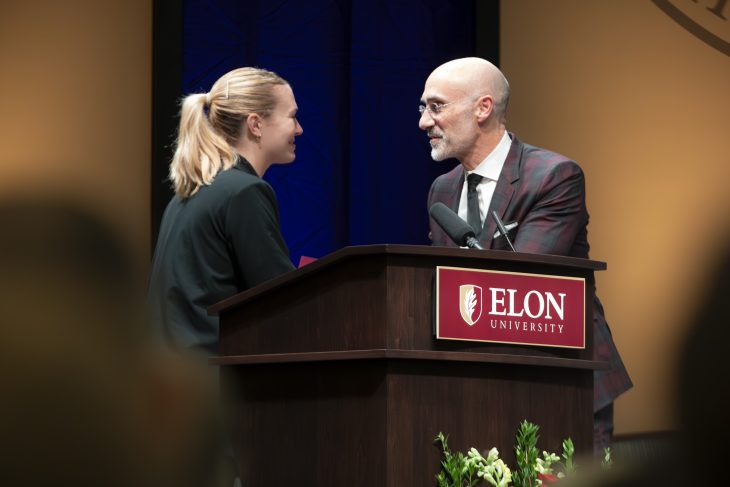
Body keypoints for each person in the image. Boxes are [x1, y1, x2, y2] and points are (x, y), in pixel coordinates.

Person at [419, 57, 632, 452]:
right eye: (423, 108)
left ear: (483, 108)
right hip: (477, 388)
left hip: (560, 379)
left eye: (436, 106)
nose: (424, 122)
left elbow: (519, 281)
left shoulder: (553, 176)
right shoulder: (442, 190)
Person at [149, 67, 302, 357]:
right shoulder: (245, 192)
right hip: (214, 386)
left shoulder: (190, 192)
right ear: (255, 124)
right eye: (292, 116)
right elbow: (284, 300)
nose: (299, 129)